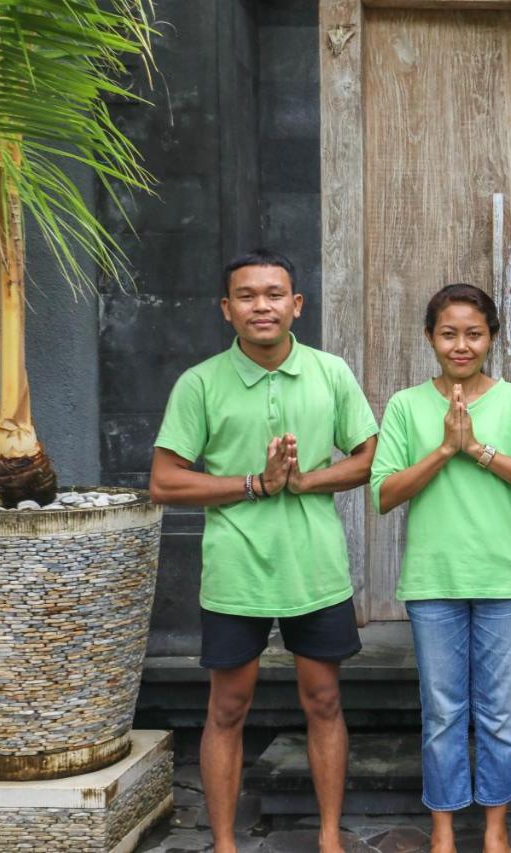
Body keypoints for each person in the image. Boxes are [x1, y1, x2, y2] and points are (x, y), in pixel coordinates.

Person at [150, 249, 378, 853]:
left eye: (274, 294)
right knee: (227, 707)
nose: (262, 306)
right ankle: (224, 844)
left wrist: (302, 481)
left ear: (296, 305)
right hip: (236, 569)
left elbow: (370, 457)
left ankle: (330, 837)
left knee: (324, 700)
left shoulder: (331, 373)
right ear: (227, 310)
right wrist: (254, 483)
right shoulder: (199, 383)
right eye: (247, 296)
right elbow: (164, 480)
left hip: (315, 567)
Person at [370, 283, 511, 853]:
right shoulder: (406, 405)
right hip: (434, 582)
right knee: (444, 712)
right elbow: (383, 493)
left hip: (503, 580)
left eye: (474, 334)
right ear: (430, 337)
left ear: (492, 338)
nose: (461, 345)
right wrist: (444, 450)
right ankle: (444, 829)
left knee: (499, 712)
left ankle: (496, 829)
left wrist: (476, 448)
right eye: (448, 333)